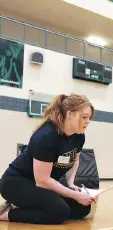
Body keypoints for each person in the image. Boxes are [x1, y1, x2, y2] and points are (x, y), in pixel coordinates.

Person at [0, 94, 96, 224]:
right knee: (59, 212)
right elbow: (42, 181)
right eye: (84, 117)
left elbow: (75, 160)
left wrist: (71, 184)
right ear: (69, 114)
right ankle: (7, 213)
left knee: (82, 208)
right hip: (16, 183)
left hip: (41, 185)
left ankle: (30, 205)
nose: (88, 121)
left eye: (89, 117)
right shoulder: (46, 136)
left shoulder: (79, 136)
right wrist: (76, 195)